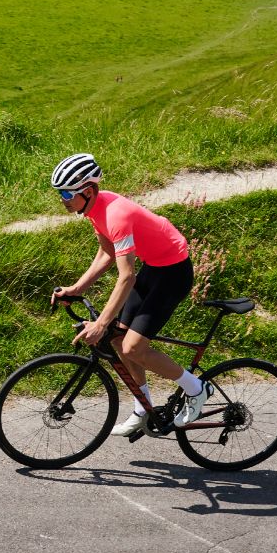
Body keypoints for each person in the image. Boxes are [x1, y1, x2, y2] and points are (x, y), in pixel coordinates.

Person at [48, 153, 207, 438]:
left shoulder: (116, 215)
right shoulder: (95, 209)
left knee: (133, 347)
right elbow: (106, 254)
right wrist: (76, 289)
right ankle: (143, 408)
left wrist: (99, 324)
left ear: (88, 190)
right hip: (155, 268)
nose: (63, 199)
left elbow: (127, 276)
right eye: (60, 193)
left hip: (173, 273)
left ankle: (196, 389)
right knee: (119, 340)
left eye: (67, 193)